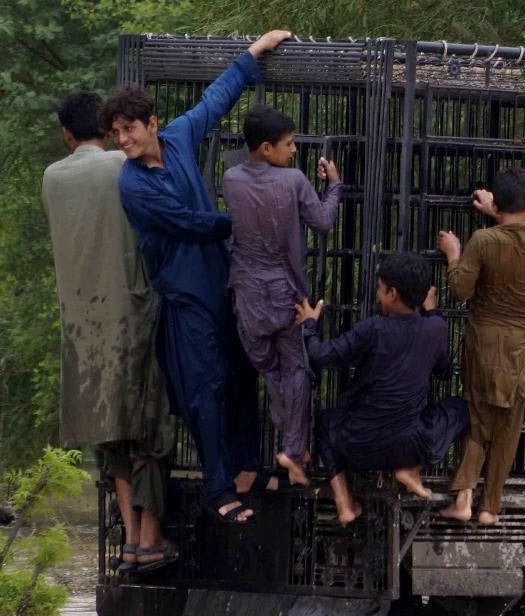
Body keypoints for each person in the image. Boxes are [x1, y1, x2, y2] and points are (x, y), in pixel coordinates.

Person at [100, 29, 292, 524]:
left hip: (221, 282)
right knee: (203, 390)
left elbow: (213, 102)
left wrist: (251, 55)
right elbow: (191, 224)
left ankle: (248, 469)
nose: (122, 140)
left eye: (128, 130)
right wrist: (249, 219)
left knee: (244, 371)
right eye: (116, 134)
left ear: (152, 123)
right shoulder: (132, 184)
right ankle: (218, 486)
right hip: (184, 297)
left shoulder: (180, 137)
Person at [41, 91, 178, 572]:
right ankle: (149, 537)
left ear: (66, 134)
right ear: (109, 126)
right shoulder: (124, 165)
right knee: (150, 428)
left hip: (81, 328)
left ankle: (128, 545)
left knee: (111, 435)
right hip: (134, 314)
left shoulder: (52, 177)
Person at [295, 253, 469, 525]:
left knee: (326, 422)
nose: (377, 295)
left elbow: (320, 356)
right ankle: (411, 470)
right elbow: (444, 372)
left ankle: (344, 502)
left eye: (379, 288)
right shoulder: (435, 328)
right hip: (409, 445)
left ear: (392, 293)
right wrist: (433, 312)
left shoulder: (372, 328)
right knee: (461, 407)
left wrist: (309, 324)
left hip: (358, 445)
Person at [223, 105, 342, 488]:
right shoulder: (293, 180)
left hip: (247, 297)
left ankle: (291, 447)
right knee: (296, 370)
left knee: (271, 370)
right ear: (266, 147)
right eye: (288, 144)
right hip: (285, 295)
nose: (294, 150)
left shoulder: (230, 179)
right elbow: (323, 223)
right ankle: (293, 449)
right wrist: (333, 185)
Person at [437, 168, 525, 525]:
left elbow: (460, 290)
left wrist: (454, 254)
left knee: (479, 417)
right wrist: (498, 212)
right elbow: (522, 227)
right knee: (509, 419)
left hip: (485, 341)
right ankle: (490, 506)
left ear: (498, 205)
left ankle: (463, 499)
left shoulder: (482, 241)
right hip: (521, 345)